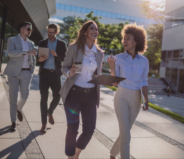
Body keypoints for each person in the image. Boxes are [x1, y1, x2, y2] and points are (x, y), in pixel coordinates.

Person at [59, 20, 104, 159]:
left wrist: (101, 78)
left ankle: (75, 155)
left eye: (96, 29)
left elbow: (98, 74)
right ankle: (70, 157)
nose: (95, 31)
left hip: (90, 95)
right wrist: (69, 73)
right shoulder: (74, 48)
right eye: (92, 28)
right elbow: (64, 67)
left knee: (89, 130)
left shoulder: (99, 53)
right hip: (74, 93)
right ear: (85, 32)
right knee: (72, 129)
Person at [107, 24, 149, 159]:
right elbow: (115, 82)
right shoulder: (118, 58)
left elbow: (144, 82)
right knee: (126, 134)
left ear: (136, 41)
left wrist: (146, 99)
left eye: (128, 38)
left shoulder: (144, 61)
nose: (124, 41)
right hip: (121, 97)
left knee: (126, 131)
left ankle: (113, 153)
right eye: (123, 38)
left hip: (136, 98)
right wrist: (112, 67)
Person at [3, 22, 37, 132]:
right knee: (13, 97)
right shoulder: (12, 40)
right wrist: (27, 52)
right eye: (28, 29)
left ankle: (19, 108)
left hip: (26, 72)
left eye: (31, 30)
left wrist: (32, 69)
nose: (30, 31)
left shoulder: (31, 43)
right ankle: (13, 121)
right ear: (22, 29)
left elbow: (33, 57)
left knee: (25, 96)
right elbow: (10, 53)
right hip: (13, 72)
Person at [37, 23, 67, 133]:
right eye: (48, 32)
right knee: (43, 98)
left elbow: (65, 58)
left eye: (52, 32)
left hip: (55, 74)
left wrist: (56, 55)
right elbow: (37, 59)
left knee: (57, 96)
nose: (49, 34)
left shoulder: (61, 44)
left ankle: (50, 112)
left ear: (56, 32)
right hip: (44, 73)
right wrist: (39, 60)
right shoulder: (42, 43)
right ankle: (43, 124)